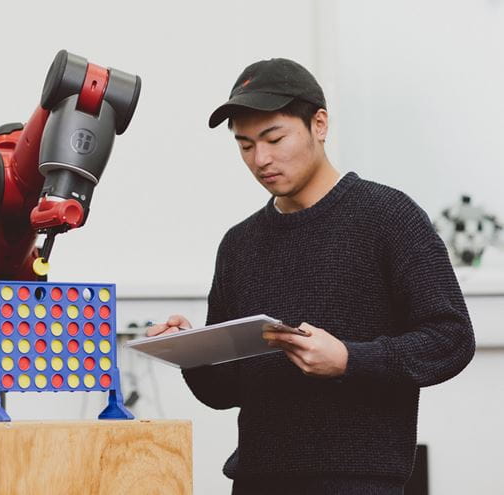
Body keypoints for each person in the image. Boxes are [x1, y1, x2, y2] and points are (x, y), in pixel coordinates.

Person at [146, 58, 475, 494]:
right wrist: (191, 353)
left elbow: (451, 339)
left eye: (274, 138)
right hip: (256, 479)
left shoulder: (388, 217)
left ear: (319, 124)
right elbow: (225, 393)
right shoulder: (239, 245)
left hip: (360, 481)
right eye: (245, 146)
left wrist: (350, 360)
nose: (260, 159)